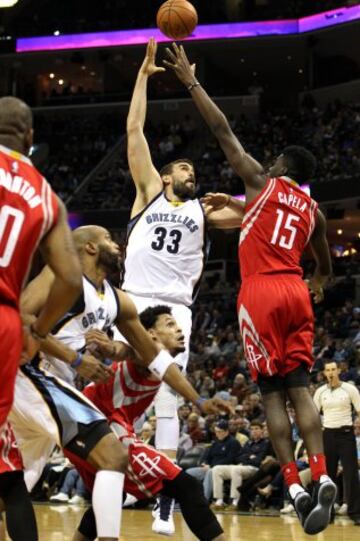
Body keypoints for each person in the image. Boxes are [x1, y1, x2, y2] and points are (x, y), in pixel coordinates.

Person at [165, 43, 337, 535]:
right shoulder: (314, 213)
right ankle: (320, 472)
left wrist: (191, 82)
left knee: (270, 397)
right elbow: (322, 266)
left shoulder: (262, 180)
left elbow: (223, 131)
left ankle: (295, 486)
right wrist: (318, 284)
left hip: (259, 292)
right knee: (300, 389)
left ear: (282, 167)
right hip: (295, 290)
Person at [12, 225, 229, 541]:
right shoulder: (62, 276)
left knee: (13, 488)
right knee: (113, 456)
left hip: (54, 391)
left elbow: (155, 357)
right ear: (89, 247)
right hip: (28, 375)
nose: (118, 244)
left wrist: (198, 401)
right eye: (109, 239)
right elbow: (20, 318)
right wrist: (75, 359)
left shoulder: (117, 301)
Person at [122, 38, 243, 533]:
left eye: (194, 169)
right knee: (113, 393)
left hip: (175, 308)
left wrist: (232, 203)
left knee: (168, 401)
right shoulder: (149, 191)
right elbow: (133, 128)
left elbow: (247, 215)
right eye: (184, 169)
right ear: (166, 177)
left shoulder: (206, 209)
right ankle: (104, 472)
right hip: (131, 302)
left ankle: (167, 499)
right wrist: (144, 76)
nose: (191, 173)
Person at [64, 305, 227, 541]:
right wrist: (200, 400)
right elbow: (124, 351)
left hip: (82, 428)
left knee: (113, 494)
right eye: (170, 324)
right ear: (150, 334)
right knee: (187, 486)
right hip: (99, 425)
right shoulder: (147, 352)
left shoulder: (160, 365)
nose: (179, 330)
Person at [0, 96, 82, 541]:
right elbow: (69, 277)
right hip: (5, 324)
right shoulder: (46, 194)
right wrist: (40, 329)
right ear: (30, 138)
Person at [313, 360, 360, 524]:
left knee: (351, 474)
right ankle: (328, 514)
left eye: (334, 369)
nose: (331, 373)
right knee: (328, 476)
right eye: (328, 370)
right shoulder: (319, 392)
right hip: (328, 435)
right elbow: (313, 416)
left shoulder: (350, 389)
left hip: (346, 434)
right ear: (324, 373)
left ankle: (355, 513)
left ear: (339, 371)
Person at [212, 420, 268, 510]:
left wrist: (246, 458)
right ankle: (219, 500)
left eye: (257, 429)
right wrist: (249, 457)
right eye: (252, 429)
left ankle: (235, 501)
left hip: (255, 469)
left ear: (262, 430)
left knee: (236, 469)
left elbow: (258, 460)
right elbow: (238, 457)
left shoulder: (266, 443)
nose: (254, 431)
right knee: (216, 469)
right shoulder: (248, 443)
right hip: (242, 466)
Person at [187, 420, 242, 502]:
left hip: (224, 469)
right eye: (216, 432)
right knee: (189, 472)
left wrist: (211, 466)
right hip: (210, 467)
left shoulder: (233, 442)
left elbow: (230, 460)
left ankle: (203, 500)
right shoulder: (215, 443)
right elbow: (208, 456)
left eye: (220, 432)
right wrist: (204, 463)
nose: (217, 434)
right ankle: (187, 498)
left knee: (210, 472)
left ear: (226, 431)